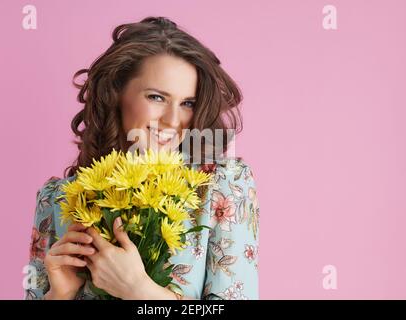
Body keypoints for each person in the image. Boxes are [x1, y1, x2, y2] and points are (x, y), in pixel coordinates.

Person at [25, 16, 260, 300]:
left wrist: (139, 290)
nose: (174, 120)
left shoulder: (223, 187)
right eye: (157, 97)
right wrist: (60, 295)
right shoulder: (58, 199)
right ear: (116, 95)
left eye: (187, 103)